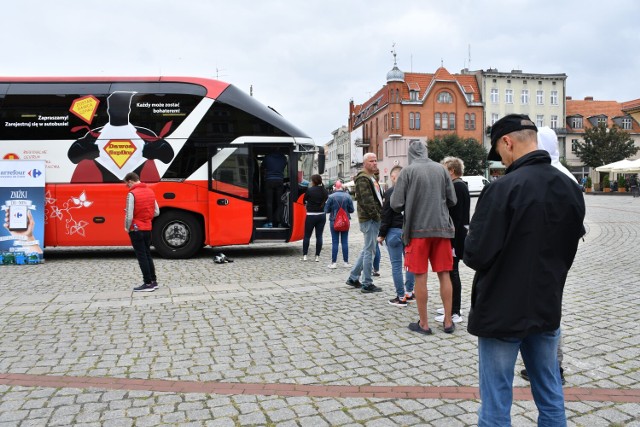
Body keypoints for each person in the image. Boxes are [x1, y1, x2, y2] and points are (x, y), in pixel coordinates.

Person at [463, 114, 585, 426]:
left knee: (495, 403)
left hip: (502, 310)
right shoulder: (571, 189)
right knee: (550, 394)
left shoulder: (502, 189)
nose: (500, 160)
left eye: (500, 153)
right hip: (546, 305)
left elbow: (476, 255)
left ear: (508, 142)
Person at [517, 126, 583, 386]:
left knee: (547, 312)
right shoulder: (563, 172)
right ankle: (550, 365)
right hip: (557, 252)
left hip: (543, 254)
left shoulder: (550, 173)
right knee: (547, 308)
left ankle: (553, 367)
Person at [390, 141, 457, 334]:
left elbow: (396, 204)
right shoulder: (442, 170)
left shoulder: (407, 172)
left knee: (420, 277)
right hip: (442, 229)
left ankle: (424, 324)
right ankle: (447, 321)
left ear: (410, 154)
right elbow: (452, 200)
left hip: (417, 231)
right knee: (444, 274)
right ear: (426, 152)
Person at [435, 157, 470, 324]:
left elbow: (454, 216)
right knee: (451, 272)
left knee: (452, 272)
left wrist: (452, 241)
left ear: (451, 171)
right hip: (457, 235)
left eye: (444, 169)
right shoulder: (460, 185)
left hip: (454, 237)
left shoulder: (456, 186)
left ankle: (454, 311)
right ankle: (451, 305)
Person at [345, 152, 384, 293]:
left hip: (372, 219)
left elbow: (377, 195)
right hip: (370, 219)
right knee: (370, 251)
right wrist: (377, 216)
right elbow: (367, 202)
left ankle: (353, 277)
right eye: (372, 161)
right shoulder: (362, 179)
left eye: (375, 160)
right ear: (365, 163)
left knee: (367, 249)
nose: (375, 163)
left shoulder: (370, 177)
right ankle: (367, 283)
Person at [377, 165, 415, 307]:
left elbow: (386, 215)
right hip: (409, 231)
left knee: (397, 265)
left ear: (393, 177)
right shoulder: (411, 192)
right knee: (410, 264)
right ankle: (409, 293)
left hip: (393, 231)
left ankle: (401, 297)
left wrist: (381, 234)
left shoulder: (391, 192)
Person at [124, 172, 160, 292]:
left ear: (130, 181)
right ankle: (154, 281)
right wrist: (146, 217)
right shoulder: (150, 191)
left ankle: (147, 283)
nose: (127, 187)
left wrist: (127, 227)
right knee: (148, 254)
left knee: (141, 256)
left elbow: (129, 215)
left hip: (136, 228)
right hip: (147, 228)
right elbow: (156, 212)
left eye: (127, 184)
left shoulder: (132, 194)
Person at [324, 180, 354, 268]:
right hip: (345, 221)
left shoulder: (331, 197)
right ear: (342, 187)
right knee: (345, 241)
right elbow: (351, 210)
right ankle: (346, 262)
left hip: (334, 221)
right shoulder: (348, 196)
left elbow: (326, 210)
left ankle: (334, 263)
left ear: (335, 187)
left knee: (335, 242)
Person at [301, 174, 328, 261]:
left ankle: (305, 255)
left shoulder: (309, 190)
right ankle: (317, 256)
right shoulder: (324, 191)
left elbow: (304, 200)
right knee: (319, 236)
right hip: (321, 215)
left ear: (313, 182)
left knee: (307, 236)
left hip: (311, 215)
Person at [263, 150, 287, 228]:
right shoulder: (283, 157)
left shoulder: (267, 156)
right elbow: (284, 166)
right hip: (279, 180)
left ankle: (270, 222)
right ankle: (279, 221)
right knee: (279, 202)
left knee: (269, 202)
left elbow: (263, 166)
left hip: (269, 180)